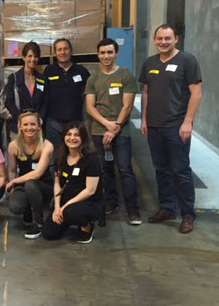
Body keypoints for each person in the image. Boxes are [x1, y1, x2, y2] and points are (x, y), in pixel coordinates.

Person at [139, 24, 202, 234]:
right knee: (161, 170)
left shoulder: (187, 61)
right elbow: (145, 93)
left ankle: (187, 215)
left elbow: (196, 93)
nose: (163, 42)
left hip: (176, 126)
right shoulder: (149, 63)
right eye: (159, 39)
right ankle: (167, 208)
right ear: (155, 40)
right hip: (155, 126)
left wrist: (188, 122)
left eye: (167, 38)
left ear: (176, 38)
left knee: (181, 171)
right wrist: (145, 119)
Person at [85, 39, 141, 224]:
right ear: (98, 55)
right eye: (102, 53)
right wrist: (106, 125)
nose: (106, 56)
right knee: (104, 169)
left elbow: (128, 105)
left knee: (125, 169)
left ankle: (133, 209)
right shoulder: (93, 79)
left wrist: (114, 127)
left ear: (116, 53)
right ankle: (111, 201)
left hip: (121, 131)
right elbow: (90, 107)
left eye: (110, 52)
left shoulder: (125, 75)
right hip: (99, 130)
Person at [43, 122, 103, 244]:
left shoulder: (92, 159)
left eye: (77, 135)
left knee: (70, 212)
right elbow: (57, 184)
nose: (72, 138)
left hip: (88, 203)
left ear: (83, 138)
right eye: (69, 134)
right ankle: (68, 219)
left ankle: (87, 226)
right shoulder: (61, 157)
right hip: (66, 203)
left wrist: (64, 207)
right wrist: (57, 208)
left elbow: (90, 190)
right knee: (50, 233)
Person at [5, 111, 54, 239]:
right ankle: (28, 209)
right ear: (20, 126)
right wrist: (12, 186)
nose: (29, 128)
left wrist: (14, 182)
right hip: (23, 184)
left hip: (44, 186)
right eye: (25, 124)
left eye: (33, 124)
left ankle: (38, 223)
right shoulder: (13, 146)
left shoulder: (47, 145)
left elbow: (37, 174)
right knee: (15, 206)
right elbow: (11, 170)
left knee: (31, 183)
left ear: (39, 126)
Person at [43, 38, 91, 153]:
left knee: (76, 154)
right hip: (53, 123)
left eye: (65, 49)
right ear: (55, 53)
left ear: (71, 51)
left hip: (75, 123)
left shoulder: (81, 71)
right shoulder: (49, 71)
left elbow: (90, 94)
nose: (62, 52)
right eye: (59, 50)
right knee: (55, 156)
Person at [4, 41, 47, 141]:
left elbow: (46, 102)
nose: (33, 59)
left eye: (36, 56)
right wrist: (22, 121)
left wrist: (38, 121)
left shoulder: (42, 79)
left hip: (37, 128)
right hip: (18, 127)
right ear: (23, 57)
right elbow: (9, 102)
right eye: (30, 56)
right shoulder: (13, 78)